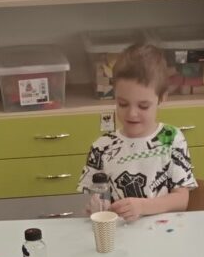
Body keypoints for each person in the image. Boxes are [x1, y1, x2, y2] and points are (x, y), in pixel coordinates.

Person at [78, 44, 197, 222]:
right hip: (118, 233)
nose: (132, 113)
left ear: (162, 98)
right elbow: (97, 199)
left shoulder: (171, 138)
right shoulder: (102, 147)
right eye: (123, 104)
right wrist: (95, 207)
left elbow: (181, 200)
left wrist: (142, 206)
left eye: (143, 106)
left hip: (162, 231)